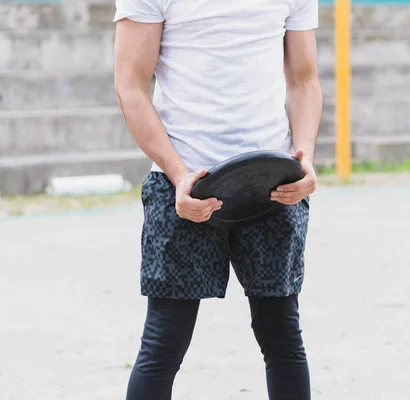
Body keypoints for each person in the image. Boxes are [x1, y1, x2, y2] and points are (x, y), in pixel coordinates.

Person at [113, 0, 322, 399]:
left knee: (281, 335)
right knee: (163, 341)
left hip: (272, 183)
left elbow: (304, 81)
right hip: (186, 183)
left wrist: (304, 158)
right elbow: (131, 86)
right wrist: (178, 175)